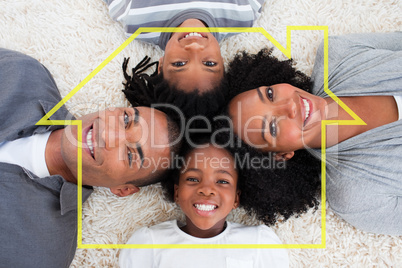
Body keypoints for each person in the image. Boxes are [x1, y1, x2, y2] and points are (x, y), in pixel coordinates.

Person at [0, 48, 181, 267]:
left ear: (123, 189)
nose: (107, 134)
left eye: (129, 154)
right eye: (125, 120)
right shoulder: (23, 75)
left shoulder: (43, 252)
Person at [226, 32, 402, 235]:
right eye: (272, 128)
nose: (290, 106)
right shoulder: (356, 195)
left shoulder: (338, 53)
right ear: (281, 156)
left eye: (270, 94)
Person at [119, 137, 289, 267]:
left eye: (222, 181)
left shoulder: (259, 243)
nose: (206, 189)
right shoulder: (150, 243)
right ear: (176, 192)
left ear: (236, 198)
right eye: (193, 178)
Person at [103, 0, 265, 118]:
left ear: (160, 67)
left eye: (179, 64)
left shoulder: (136, 21)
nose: (194, 48)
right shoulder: (241, 14)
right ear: (223, 62)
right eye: (209, 63)